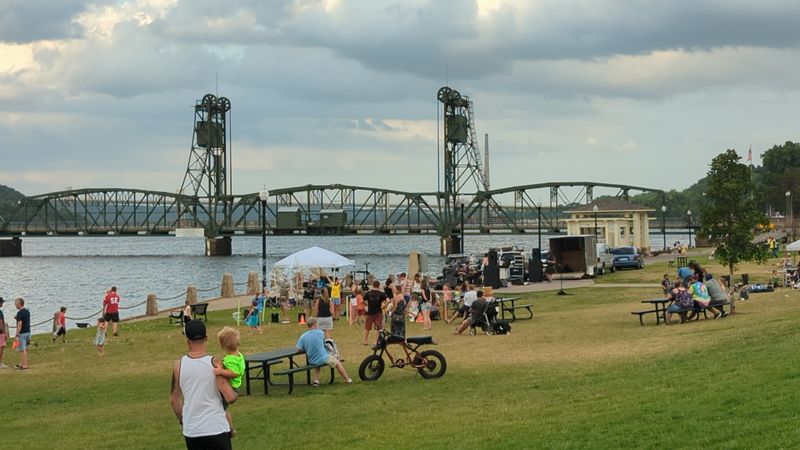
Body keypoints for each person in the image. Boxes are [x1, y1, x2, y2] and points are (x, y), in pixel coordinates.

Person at [170, 320, 237, 450]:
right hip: (216, 427)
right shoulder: (215, 363)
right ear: (206, 338)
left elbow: (174, 400)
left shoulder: (178, 366)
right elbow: (230, 397)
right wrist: (235, 393)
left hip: (192, 430)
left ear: (187, 340)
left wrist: (183, 420)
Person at [296, 317, 352, 386]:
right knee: (337, 362)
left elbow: (298, 349)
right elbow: (325, 342)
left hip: (312, 359)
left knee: (317, 363)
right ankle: (347, 379)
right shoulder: (320, 333)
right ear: (315, 324)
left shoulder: (303, 336)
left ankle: (316, 381)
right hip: (323, 358)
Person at [215, 326, 245, 437]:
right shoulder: (239, 355)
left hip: (231, 387)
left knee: (223, 409)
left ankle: (230, 429)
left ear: (223, 346)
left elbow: (234, 372)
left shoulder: (230, 359)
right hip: (234, 386)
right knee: (223, 409)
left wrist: (220, 372)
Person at [362, 280, 387, 346]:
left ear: (373, 285)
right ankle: (375, 341)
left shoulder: (368, 293)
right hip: (378, 312)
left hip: (370, 312)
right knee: (378, 328)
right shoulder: (381, 294)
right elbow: (388, 300)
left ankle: (365, 341)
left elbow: (363, 300)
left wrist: (366, 305)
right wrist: (384, 305)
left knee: (367, 328)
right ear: (379, 286)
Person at [13, 298, 30, 370]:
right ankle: (21, 364)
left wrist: (17, 335)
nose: (15, 305)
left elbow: (19, 324)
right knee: (24, 349)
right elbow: (24, 320)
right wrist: (17, 318)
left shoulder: (19, 313)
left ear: (19, 304)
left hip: (22, 333)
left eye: (16, 303)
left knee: (23, 350)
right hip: (28, 332)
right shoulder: (27, 311)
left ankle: (25, 366)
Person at [0, 297, 7, 369]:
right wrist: (4, 333)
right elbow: (1, 323)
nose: (2, 304)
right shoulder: (0, 312)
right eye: (2, 302)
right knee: (1, 347)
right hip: (0, 332)